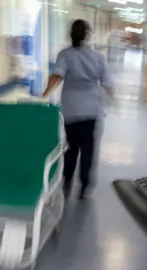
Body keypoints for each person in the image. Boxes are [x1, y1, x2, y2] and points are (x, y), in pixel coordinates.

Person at [42, 19, 114, 200]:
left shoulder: (65, 55)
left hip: (71, 109)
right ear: (87, 35)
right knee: (89, 149)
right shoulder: (97, 57)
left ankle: (67, 181)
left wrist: (44, 94)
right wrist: (114, 97)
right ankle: (84, 186)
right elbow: (107, 83)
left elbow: (57, 76)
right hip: (92, 109)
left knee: (71, 148)